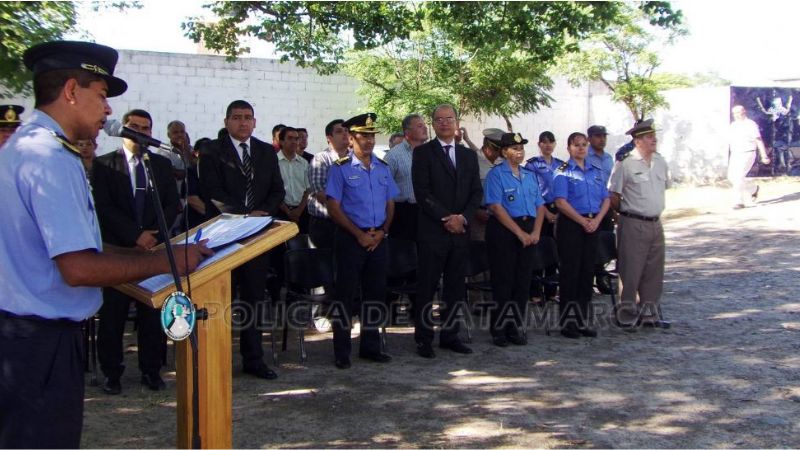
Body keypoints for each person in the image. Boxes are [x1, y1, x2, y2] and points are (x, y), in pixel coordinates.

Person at [0, 40, 210, 449]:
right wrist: (168, 263)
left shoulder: (23, 147)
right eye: (101, 95)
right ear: (71, 91)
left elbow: (76, 248)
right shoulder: (51, 157)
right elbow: (78, 268)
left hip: (21, 338)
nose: (108, 109)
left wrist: (141, 255)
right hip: (41, 343)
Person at [92, 109, 179, 394]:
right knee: (113, 316)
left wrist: (154, 235)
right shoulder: (104, 165)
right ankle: (112, 373)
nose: (140, 133)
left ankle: (151, 370)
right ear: (123, 129)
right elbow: (104, 208)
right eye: (134, 127)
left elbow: (171, 204)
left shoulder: (161, 165)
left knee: (151, 314)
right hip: (118, 251)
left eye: (146, 128)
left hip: (153, 250)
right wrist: (134, 235)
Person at [199, 99, 285, 380]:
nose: (243, 122)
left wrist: (262, 216)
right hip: (224, 236)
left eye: (248, 117)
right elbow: (211, 191)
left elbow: (276, 190)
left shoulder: (265, 152)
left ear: (255, 122)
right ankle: (218, 358)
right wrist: (245, 214)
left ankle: (253, 358)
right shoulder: (212, 151)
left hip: (256, 238)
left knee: (253, 299)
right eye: (237, 117)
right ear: (227, 122)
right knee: (221, 300)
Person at [325, 112, 398, 369]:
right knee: (345, 295)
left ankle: (370, 346)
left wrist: (383, 232)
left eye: (371, 136)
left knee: (375, 294)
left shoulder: (383, 167)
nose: (368, 141)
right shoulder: (340, 168)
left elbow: (390, 203)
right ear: (351, 138)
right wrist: (358, 234)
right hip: (350, 238)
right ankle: (342, 351)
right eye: (363, 136)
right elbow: (333, 206)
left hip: (379, 238)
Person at [411, 104, 483, 358]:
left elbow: (476, 192)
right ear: (433, 124)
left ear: (456, 122)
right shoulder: (422, 154)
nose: (444, 123)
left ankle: (451, 335)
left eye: (448, 119)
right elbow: (423, 193)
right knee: (427, 286)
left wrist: (462, 217)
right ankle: (424, 338)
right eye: (439, 120)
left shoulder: (468, 156)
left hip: (460, 231)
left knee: (455, 287)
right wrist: (446, 217)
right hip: (433, 231)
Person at [484, 132, 546, 346]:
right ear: (504, 152)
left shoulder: (529, 175)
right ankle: (499, 330)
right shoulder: (496, 175)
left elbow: (540, 205)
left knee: (522, 282)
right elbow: (495, 207)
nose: (519, 152)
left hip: (529, 229)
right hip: (505, 231)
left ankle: (515, 327)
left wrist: (536, 232)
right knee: (503, 281)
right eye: (514, 149)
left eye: (521, 148)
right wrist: (519, 233)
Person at [609, 119, 671, 329]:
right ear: (637, 141)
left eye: (654, 135)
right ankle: (627, 315)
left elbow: (664, 188)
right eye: (649, 136)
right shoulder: (626, 164)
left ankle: (649, 315)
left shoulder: (661, 161)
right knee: (630, 271)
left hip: (655, 223)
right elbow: (614, 196)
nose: (654, 139)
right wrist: (626, 215)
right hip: (633, 222)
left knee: (654, 271)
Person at [552, 132, 610, 339]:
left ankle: (583, 320)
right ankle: (568, 324)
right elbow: (560, 202)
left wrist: (596, 220)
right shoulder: (562, 172)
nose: (581, 148)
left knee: (587, 273)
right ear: (568, 148)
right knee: (571, 274)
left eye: (584, 145)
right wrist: (582, 221)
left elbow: (606, 199)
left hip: (593, 225)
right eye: (576, 145)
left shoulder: (595, 172)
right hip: (572, 226)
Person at [524, 131, 563, 300]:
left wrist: (559, 212)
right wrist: (545, 212)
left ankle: (551, 291)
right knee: (538, 248)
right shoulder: (532, 164)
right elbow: (531, 190)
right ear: (539, 144)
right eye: (544, 142)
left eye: (551, 142)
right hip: (540, 209)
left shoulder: (561, 165)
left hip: (559, 209)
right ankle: (535, 291)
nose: (548, 145)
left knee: (555, 250)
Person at [384, 113, 428, 241]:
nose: (425, 128)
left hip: (427, 213)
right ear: (407, 132)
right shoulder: (393, 156)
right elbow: (384, 190)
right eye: (420, 126)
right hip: (403, 213)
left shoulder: (430, 153)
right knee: (404, 257)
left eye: (424, 125)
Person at [307, 119, 350, 249]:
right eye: (339, 131)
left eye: (347, 131)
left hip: (352, 223)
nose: (345, 134)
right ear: (329, 138)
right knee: (325, 266)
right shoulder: (321, 159)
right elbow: (321, 194)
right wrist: (354, 201)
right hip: (326, 225)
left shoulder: (356, 159)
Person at [587, 125, 615, 294]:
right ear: (589, 138)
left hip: (607, 208)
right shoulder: (585, 157)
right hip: (591, 208)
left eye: (604, 136)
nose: (602, 139)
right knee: (590, 244)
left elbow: (612, 185)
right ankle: (587, 280)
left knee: (605, 242)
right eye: (598, 136)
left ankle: (601, 277)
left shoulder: (608, 158)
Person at [729, 105, 769, 209]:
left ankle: (739, 202)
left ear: (744, 111)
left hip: (748, 153)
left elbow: (758, 140)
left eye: (738, 112)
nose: (737, 115)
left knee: (738, 177)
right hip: (735, 153)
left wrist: (764, 155)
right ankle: (753, 189)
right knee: (732, 177)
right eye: (734, 113)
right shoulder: (733, 125)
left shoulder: (750, 124)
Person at [276, 126, 310, 234]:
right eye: (290, 138)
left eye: (296, 139)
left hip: (302, 212)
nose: (294, 142)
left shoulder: (304, 163)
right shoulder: (273, 162)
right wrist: (288, 211)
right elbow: (272, 190)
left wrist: (299, 211)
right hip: (280, 212)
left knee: (303, 246)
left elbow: (308, 189)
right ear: (281, 141)